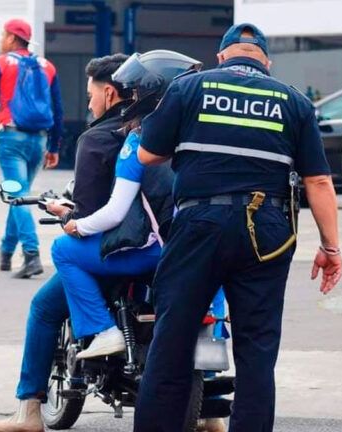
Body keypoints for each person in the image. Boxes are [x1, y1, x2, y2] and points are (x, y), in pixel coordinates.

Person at [133, 23, 342, 432]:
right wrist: (330, 248)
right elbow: (318, 181)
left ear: (222, 57)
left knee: (172, 342)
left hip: (199, 224)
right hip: (266, 230)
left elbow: (146, 155)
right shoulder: (294, 102)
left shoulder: (189, 88)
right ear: (266, 63)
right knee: (257, 351)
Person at [0, 53, 131, 432]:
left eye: (91, 94)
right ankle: (208, 414)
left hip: (108, 249)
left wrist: (64, 212)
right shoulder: (152, 133)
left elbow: (86, 211)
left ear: (110, 93)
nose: (88, 102)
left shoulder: (97, 138)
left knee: (44, 307)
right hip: (158, 249)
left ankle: (29, 411)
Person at [50, 50, 202, 360]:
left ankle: (103, 330)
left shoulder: (140, 142)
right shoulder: (200, 137)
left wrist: (77, 225)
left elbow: (116, 211)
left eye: (135, 92)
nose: (130, 99)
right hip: (201, 245)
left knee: (62, 250)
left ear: (150, 95)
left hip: (158, 251)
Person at [0, 18, 64, 279]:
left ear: (11, 38)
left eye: (2, 35)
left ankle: (31, 254)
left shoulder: (0, 64)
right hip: (39, 140)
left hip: (12, 139)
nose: (1, 40)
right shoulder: (47, 66)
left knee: (17, 193)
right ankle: (6, 252)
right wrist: (54, 146)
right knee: (19, 193)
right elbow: (58, 108)